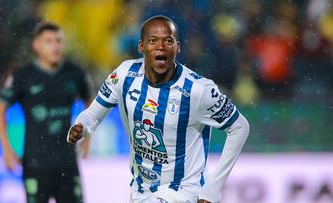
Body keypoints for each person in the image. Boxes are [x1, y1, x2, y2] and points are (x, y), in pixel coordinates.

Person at [68, 15, 250, 203]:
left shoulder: (197, 90)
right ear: (141, 46)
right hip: (140, 191)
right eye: (153, 41)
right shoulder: (124, 75)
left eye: (168, 41)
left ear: (177, 47)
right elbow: (93, 113)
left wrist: (213, 188)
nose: (160, 47)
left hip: (183, 192)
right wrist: (82, 126)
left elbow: (239, 127)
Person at [0, 22, 93, 203]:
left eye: (58, 41)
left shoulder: (75, 73)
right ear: (36, 45)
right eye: (48, 41)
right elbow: (0, 109)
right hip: (35, 163)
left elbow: (92, 101)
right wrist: (7, 149)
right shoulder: (22, 75)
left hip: (67, 163)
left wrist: (88, 136)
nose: (55, 46)